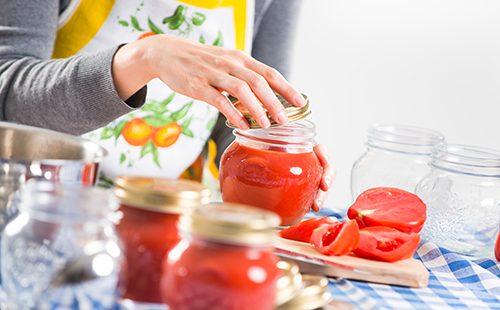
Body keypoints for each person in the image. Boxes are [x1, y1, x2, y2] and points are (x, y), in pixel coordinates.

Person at [0, 0, 333, 210]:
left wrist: (279, 148)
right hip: (33, 215)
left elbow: (252, 107)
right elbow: (7, 94)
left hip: (174, 218)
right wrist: (144, 58)